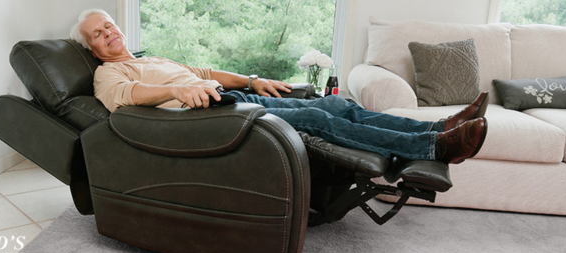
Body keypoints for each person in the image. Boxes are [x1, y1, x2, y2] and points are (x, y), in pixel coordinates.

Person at [69, 9, 488, 164]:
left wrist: (253, 79)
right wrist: (176, 92)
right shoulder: (109, 74)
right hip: (200, 117)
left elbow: (204, 68)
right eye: (97, 34)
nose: (108, 33)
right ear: (92, 48)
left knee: (336, 106)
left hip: (224, 97)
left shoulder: (148, 59)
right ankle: (435, 149)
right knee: (313, 116)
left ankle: (436, 127)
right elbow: (126, 101)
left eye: (108, 25)